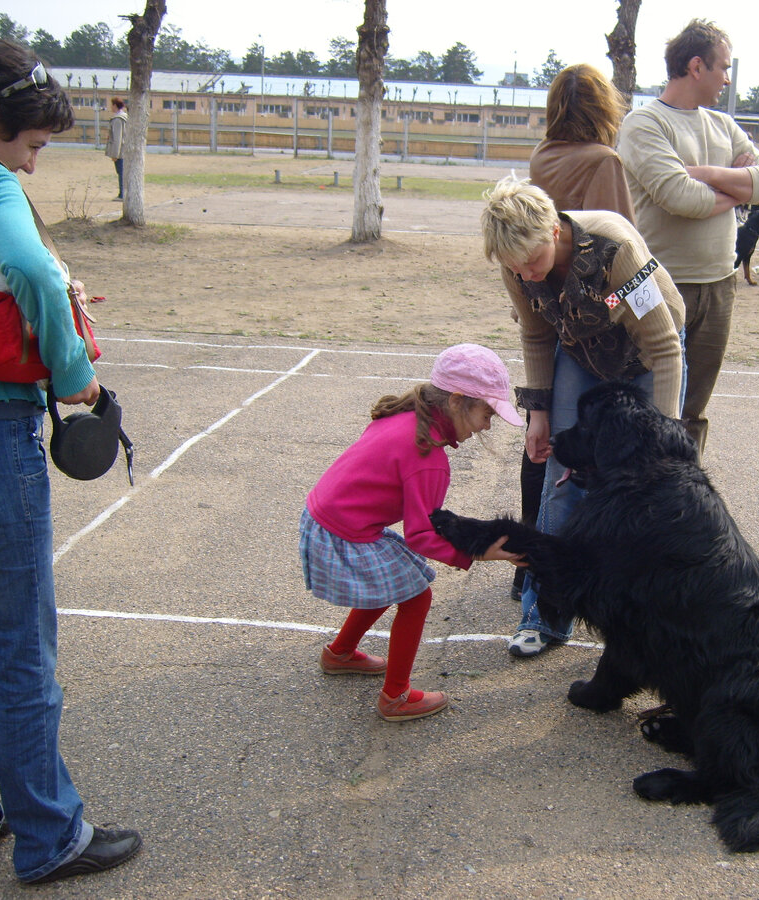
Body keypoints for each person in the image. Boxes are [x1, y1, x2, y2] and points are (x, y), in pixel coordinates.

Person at [0, 40, 142, 884]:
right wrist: (73, 374)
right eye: (30, 145)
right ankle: (49, 835)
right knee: (19, 649)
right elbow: (26, 265)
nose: (29, 164)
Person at [482, 174, 685, 657]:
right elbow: (536, 335)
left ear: (554, 231)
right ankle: (544, 617)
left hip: (645, 354)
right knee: (561, 477)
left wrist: (665, 431)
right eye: (515, 267)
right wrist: (538, 414)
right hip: (579, 352)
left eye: (533, 260)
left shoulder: (615, 251)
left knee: (647, 480)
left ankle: (651, 617)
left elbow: (663, 346)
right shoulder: (517, 263)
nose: (527, 274)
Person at [302, 343, 524, 721]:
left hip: (326, 519)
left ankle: (340, 653)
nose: (488, 425)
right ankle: (396, 697)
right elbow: (420, 535)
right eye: (487, 413)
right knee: (416, 595)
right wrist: (475, 553)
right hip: (343, 533)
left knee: (392, 580)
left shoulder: (406, 416)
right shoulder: (427, 457)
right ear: (456, 401)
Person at [617, 19, 759, 458]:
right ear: (695, 66)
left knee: (693, 410)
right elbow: (679, 197)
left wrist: (704, 174)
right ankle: (637, 493)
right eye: (723, 67)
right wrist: (737, 186)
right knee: (648, 405)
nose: (727, 78)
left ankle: (683, 489)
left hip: (719, 285)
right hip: (658, 284)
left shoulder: (723, 125)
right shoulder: (644, 123)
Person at [510, 63, 635, 604]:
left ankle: (527, 563)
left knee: (543, 440)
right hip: (592, 319)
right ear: (605, 109)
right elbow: (624, 246)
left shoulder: (543, 156)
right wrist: (608, 309)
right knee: (585, 442)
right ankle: (589, 566)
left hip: (545, 306)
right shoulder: (605, 161)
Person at [105, 97, 126, 201]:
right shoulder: (124, 117)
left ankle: (122, 194)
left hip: (120, 152)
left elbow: (118, 138)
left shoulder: (118, 120)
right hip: (124, 150)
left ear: (115, 105)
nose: (111, 107)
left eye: (112, 105)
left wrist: (115, 154)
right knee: (122, 172)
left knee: (121, 173)